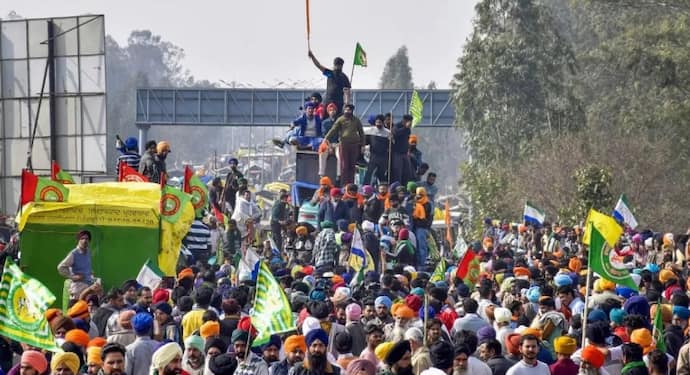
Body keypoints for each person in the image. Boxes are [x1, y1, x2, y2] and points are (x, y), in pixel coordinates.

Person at [323, 104, 365, 185]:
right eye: (346, 110)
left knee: (352, 166)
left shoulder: (356, 120)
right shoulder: (341, 119)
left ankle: (351, 185)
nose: (347, 111)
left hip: (354, 145)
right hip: (344, 144)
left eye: (349, 110)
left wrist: (363, 145)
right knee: (344, 166)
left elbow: (361, 133)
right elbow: (333, 129)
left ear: (352, 111)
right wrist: (326, 138)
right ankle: (344, 185)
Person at [307, 51, 351, 116]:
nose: (337, 66)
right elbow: (319, 66)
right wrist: (312, 57)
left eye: (338, 65)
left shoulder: (342, 76)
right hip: (329, 102)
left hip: (338, 103)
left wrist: (347, 103)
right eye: (336, 65)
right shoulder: (330, 73)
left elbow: (347, 92)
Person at [58, 230, 97, 301]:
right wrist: (73, 276)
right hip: (78, 288)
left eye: (87, 239)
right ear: (78, 240)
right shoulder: (74, 254)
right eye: (82, 238)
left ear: (89, 241)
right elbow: (61, 267)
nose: (84, 241)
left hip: (88, 286)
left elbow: (85, 266)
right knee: (76, 309)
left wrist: (90, 272)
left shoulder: (88, 252)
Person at [363, 114, 391, 185]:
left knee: (381, 173)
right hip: (373, 156)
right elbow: (365, 141)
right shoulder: (370, 130)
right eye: (377, 122)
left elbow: (390, 144)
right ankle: (365, 186)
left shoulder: (387, 132)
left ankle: (383, 188)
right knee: (369, 172)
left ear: (382, 123)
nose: (378, 124)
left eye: (380, 122)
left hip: (383, 156)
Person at [319, 103, 341, 181]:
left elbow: (341, 134)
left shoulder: (339, 121)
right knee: (322, 152)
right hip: (327, 143)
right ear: (328, 112)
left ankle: (339, 175)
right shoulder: (325, 122)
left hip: (337, 143)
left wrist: (338, 143)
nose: (332, 112)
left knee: (340, 155)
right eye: (330, 110)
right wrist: (329, 146)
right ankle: (321, 174)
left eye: (334, 110)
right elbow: (325, 135)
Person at [411, 187, 432, 267]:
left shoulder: (427, 204)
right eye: (418, 194)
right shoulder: (414, 202)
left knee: (422, 247)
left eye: (421, 194)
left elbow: (426, 217)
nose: (419, 196)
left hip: (422, 228)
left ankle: (422, 265)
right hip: (414, 227)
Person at [390, 115, 412, 185]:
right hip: (397, 153)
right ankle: (397, 186)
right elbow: (395, 133)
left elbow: (407, 139)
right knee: (397, 171)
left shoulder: (408, 129)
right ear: (404, 120)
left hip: (405, 153)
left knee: (407, 171)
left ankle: (405, 186)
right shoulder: (397, 126)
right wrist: (405, 127)